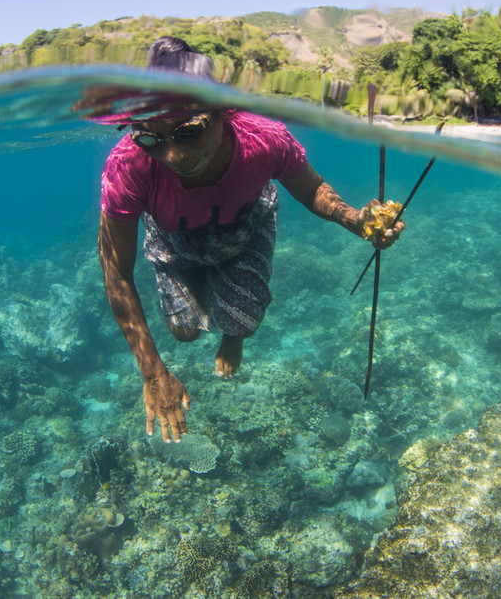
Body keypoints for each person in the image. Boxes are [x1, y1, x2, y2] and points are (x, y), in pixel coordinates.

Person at [97, 37, 404, 443]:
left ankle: (231, 334)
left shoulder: (264, 138)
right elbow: (115, 272)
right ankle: (214, 303)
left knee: (242, 320)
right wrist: (153, 372)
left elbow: (311, 190)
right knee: (183, 332)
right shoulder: (128, 166)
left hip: (244, 225)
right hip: (173, 237)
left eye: (188, 133)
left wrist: (357, 221)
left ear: (221, 111)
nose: (172, 156)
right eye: (150, 138)